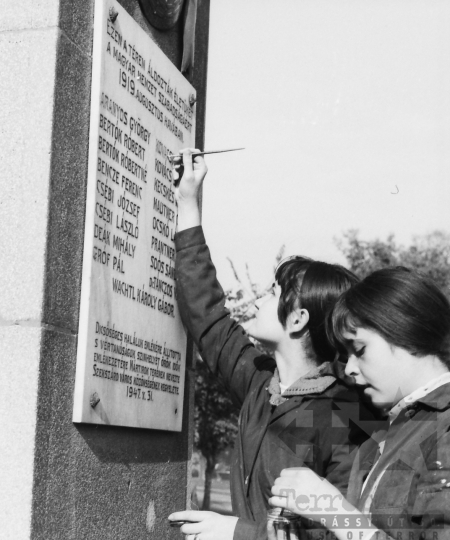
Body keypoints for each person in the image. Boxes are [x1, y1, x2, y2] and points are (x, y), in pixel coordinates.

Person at [168, 150, 377, 540]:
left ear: (297, 319)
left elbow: (343, 534)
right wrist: (188, 203)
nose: (261, 297)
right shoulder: (262, 385)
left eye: (274, 292)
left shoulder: (348, 416)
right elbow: (207, 316)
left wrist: (238, 534)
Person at [270, 267, 450, 540]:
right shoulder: (387, 433)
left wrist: (333, 511)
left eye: (360, 349)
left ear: (405, 329)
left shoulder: (444, 430)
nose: (350, 368)